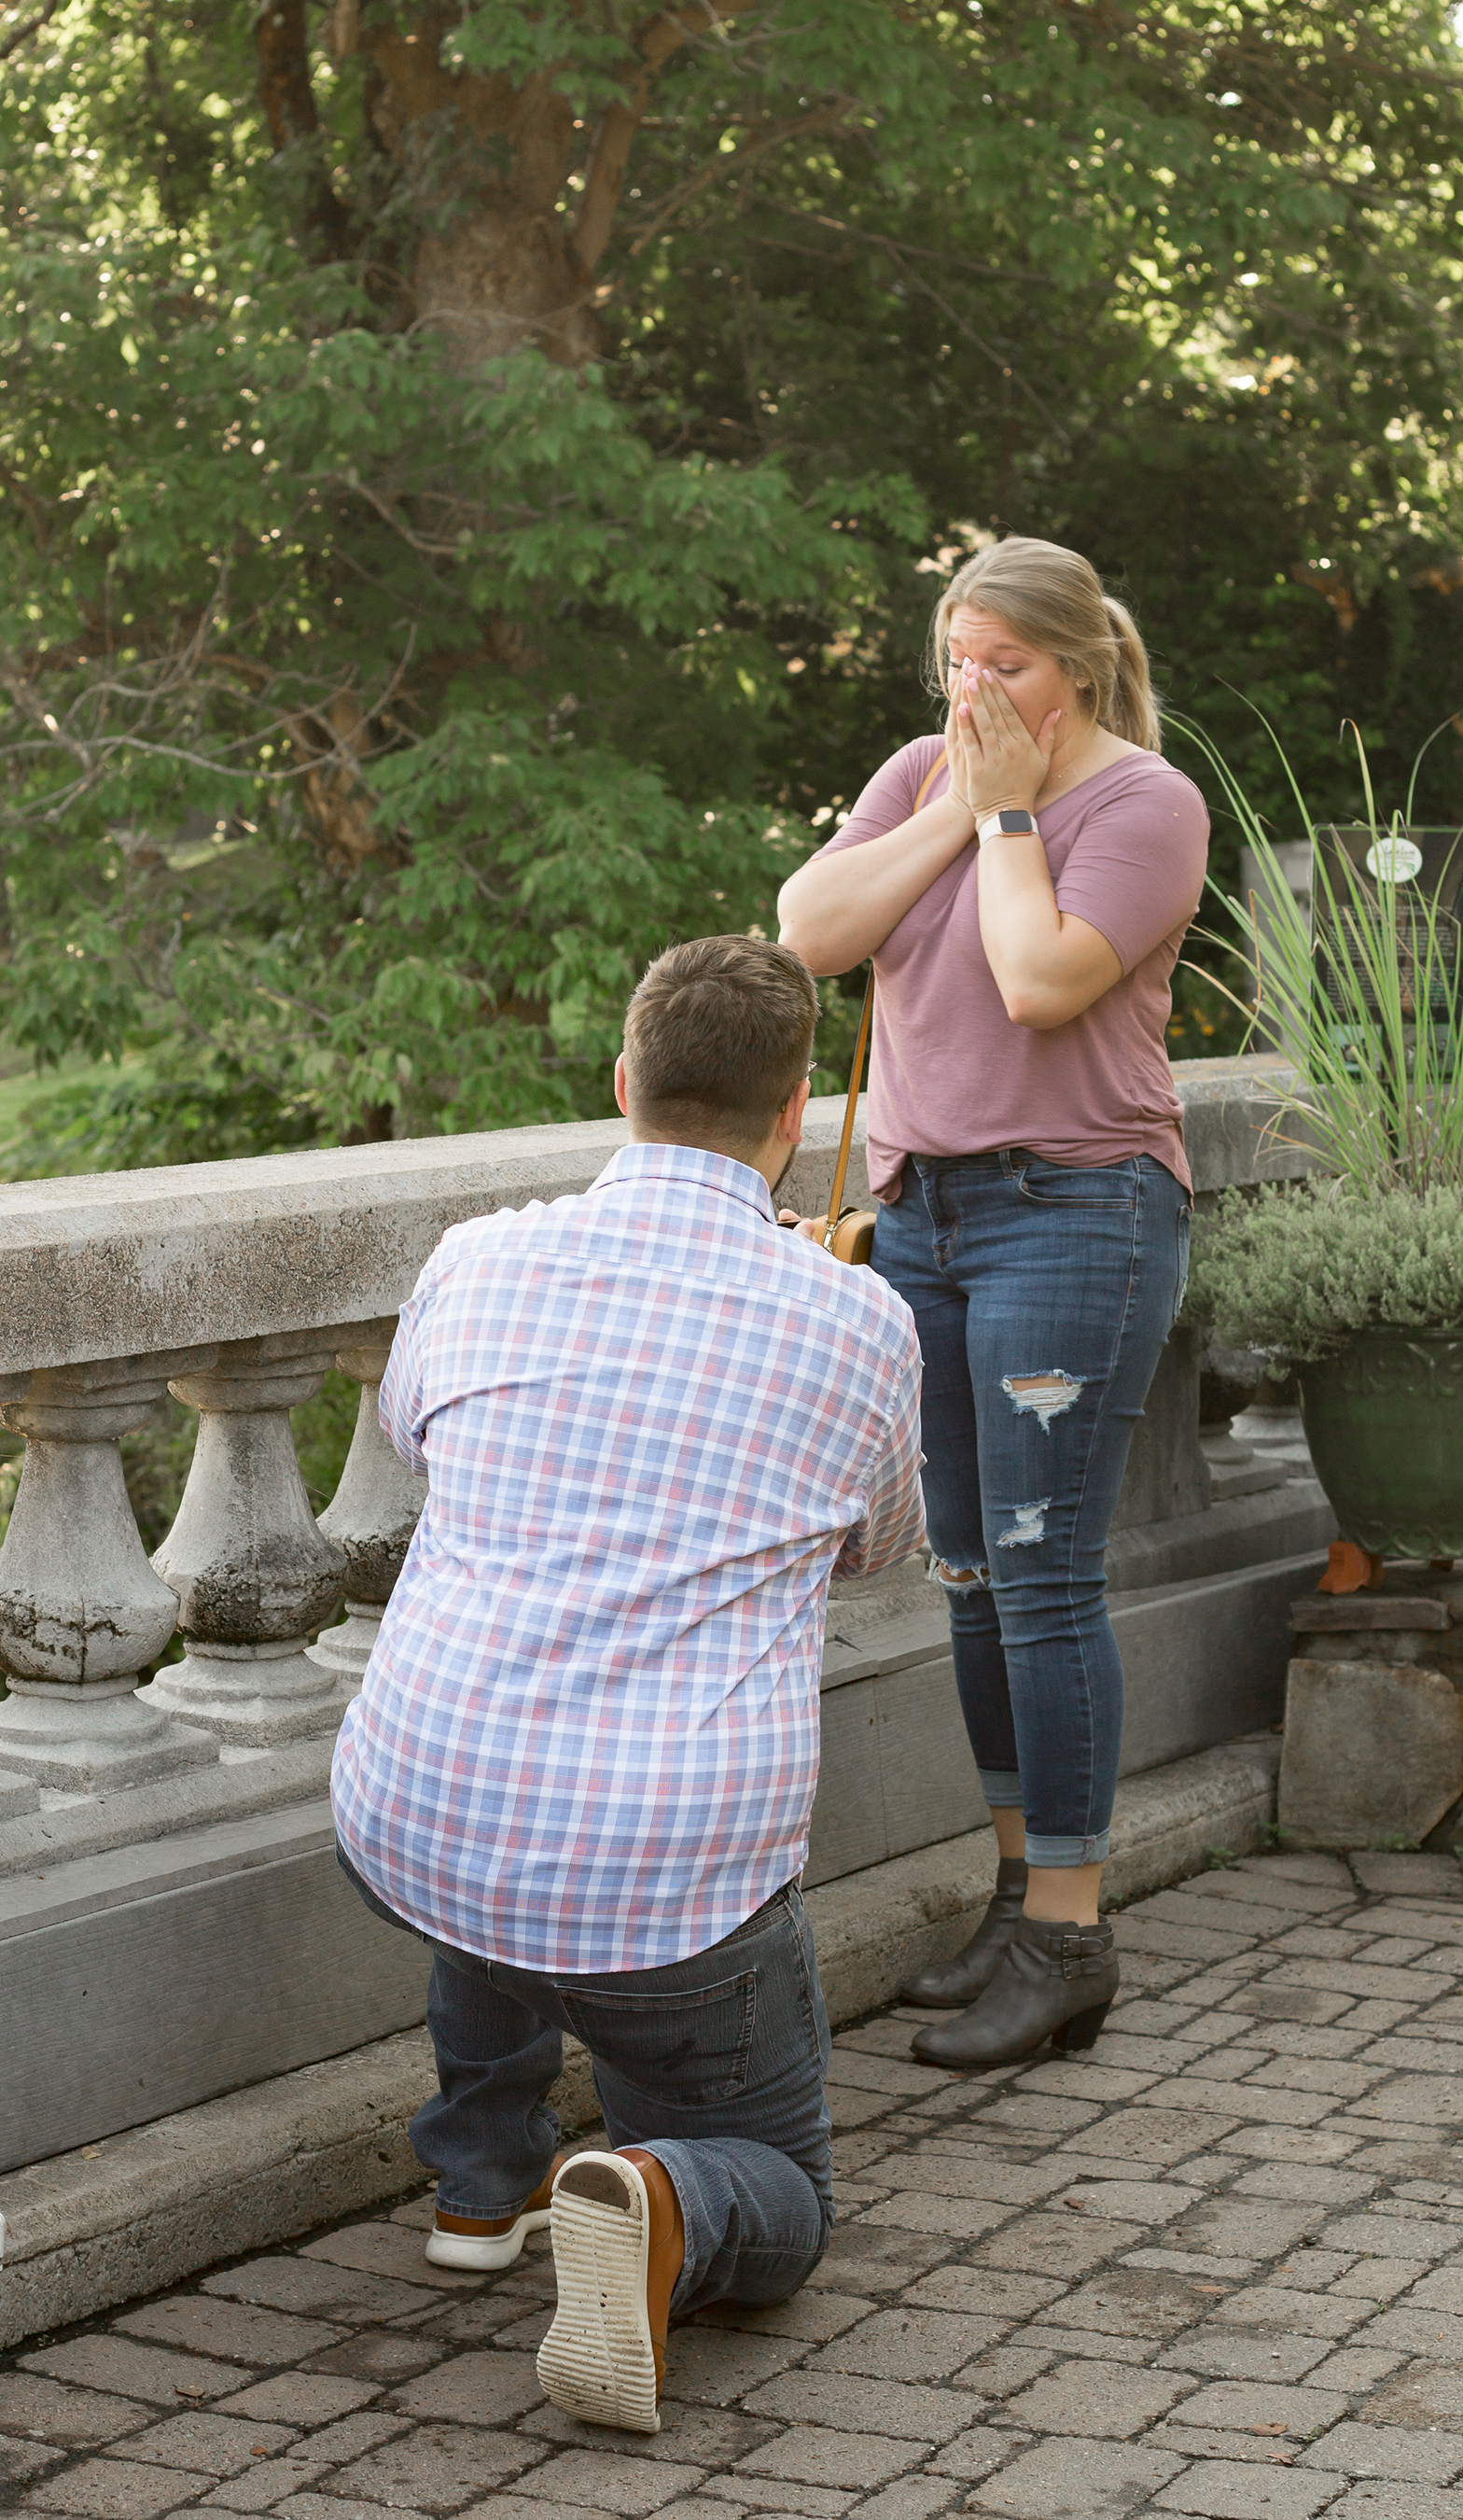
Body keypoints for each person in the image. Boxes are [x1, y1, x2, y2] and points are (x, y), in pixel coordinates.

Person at [330, 933, 924, 2436]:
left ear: (623, 1084)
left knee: (509, 1818)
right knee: (784, 2190)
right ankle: (647, 2195)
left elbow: (416, 1440)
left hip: (413, 1804)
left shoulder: (478, 1256)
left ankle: (481, 2185)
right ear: (795, 1115)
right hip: (671, 1876)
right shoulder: (857, 1320)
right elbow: (881, 1553)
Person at [777, 537, 1208, 2069]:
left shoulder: (1143, 806)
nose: (974, 690)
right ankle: (1021, 1892)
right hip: (924, 1219)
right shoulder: (921, 772)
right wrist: (957, 798)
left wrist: (1009, 808)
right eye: (957, 660)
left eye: (1005, 664)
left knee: (1042, 1573)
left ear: (1077, 667)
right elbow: (811, 939)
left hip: (1073, 1214)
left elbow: (1038, 981)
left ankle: (1074, 1937)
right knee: (965, 1571)